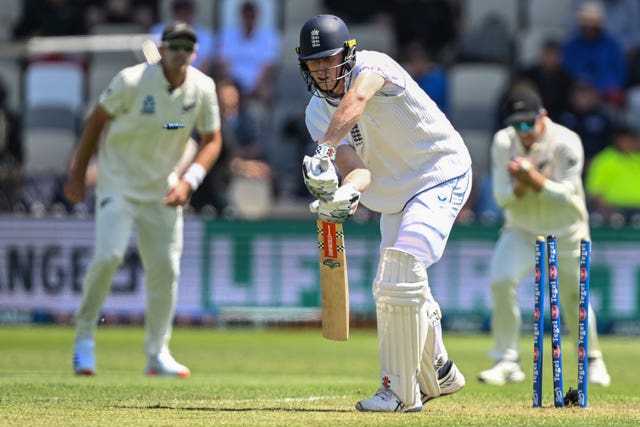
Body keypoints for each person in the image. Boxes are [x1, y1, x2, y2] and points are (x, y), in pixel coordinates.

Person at [297, 14, 471, 412]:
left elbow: (356, 102)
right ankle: (440, 370)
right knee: (393, 285)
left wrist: (321, 152)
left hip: (439, 173)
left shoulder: (375, 66)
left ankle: (400, 394)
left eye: (330, 58)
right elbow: (359, 169)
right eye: (314, 62)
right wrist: (344, 193)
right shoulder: (315, 115)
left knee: (401, 267)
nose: (323, 69)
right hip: (395, 196)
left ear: (348, 52)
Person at [64, 21, 222, 377]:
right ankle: (84, 338)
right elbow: (95, 122)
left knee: (166, 270)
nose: (180, 52)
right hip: (117, 183)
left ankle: (157, 353)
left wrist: (188, 182)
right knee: (109, 257)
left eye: (187, 46)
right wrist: (77, 175)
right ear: (162, 50)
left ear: (194, 53)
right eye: (174, 46)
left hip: (163, 188)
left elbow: (212, 140)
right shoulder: (131, 80)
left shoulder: (204, 87)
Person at [478, 88, 611, 387]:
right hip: (522, 230)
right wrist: (523, 185)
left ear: (543, 117)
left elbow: (566, 195)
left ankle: (592, 360)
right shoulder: (503, 142)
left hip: (567, 232)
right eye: (517, 125)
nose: (523, 131)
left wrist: (533, 178)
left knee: (574, 298)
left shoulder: (566, 142)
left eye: (529, 124)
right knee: (501, 280)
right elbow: (502, 198)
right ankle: (507, 360)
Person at [562, 1, 627, 107]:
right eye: (586, 26)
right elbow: (568, 71)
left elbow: (619, 73)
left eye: (593, 27)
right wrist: (583, 86)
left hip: (604, 94)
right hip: (578, 93)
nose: (589, 30)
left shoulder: (612, 45)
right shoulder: (572, 45)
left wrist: (599, 90)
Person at [585, 123, 640, 222]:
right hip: (614, 210)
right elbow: (595, 191)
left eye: (631, 140)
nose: (628, 143)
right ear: (617, 140)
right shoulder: (604, 159)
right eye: (625, 140)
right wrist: (606, 211)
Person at [150, 0, 215, 75]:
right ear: (173, 12)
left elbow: (205, 65)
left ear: (193, 12)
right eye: (179, 11)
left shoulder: (205, 35)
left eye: (187, 11)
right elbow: (154, 60)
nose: (183, 14)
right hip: (163, 77)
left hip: (194, 78)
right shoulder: (157, 31)